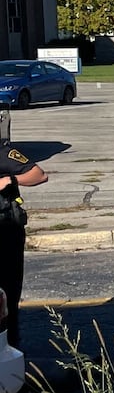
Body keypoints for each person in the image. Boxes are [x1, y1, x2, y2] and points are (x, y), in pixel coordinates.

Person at [0, 145, 49, 349]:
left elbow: (39, 175)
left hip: (5, 232)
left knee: (7, 293)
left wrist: (11, 180)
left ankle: (10, 345)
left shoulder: (3, 154)